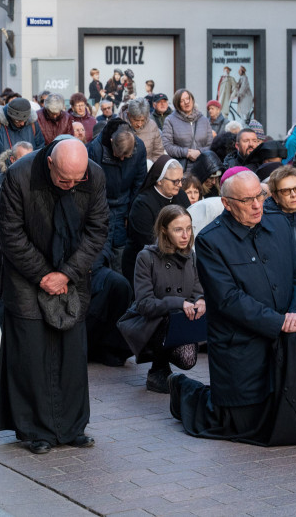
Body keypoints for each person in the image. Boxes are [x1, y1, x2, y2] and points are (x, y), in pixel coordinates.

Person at [170, 169, 296, 445]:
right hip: (241, 344)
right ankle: (184, 389)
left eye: (260, 196)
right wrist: (280, 323)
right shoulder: (210, 240)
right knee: (240, 424)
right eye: (247, 200)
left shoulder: (279, 224)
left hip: (285, 334)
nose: (257, 205)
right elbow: (228, 299)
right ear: (227, 203)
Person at [0, 139, 109, 454]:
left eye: (77, 180)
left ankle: (72, 427)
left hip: (72, 273)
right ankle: (34, 429)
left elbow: (98, 230)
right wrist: (44, 275)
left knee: (71, 352)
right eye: (64, 180)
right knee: (31, 351)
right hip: (26, 272)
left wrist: (67, 273)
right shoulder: (19, 175)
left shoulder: (93, 175)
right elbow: (9, 233)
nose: (71, 186)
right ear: (50, 164)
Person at [118, 205, 205, 393]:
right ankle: (158, 368)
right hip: (151, 322)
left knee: (188, 359)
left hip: (181, 320)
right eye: (178, 230)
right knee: (167, 318)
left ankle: (163, 367)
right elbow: (144, 304)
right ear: (164, 230)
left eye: (189, 228)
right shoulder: (146, 257)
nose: (185, 235)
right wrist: (179, 302)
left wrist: (200, 300)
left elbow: (197, 289)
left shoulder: (190, 255)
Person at [87, 119, 146, 273]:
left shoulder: (139, 148)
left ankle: (119, 282)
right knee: (100, 250)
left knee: (120, 249)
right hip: (102, 205)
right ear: (112, 141)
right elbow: (92, 187)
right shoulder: (96, 149)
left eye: (126, 156)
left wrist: (130, 212)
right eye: (119, 155)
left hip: (124, 205)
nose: (121, 159)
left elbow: (139, 183)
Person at [123, 156, 189, 284]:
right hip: (145, 265)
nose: (180, 185)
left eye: (181, 180)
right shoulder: (142, 203)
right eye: (175, 181)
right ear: (160, 180)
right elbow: (147, 240)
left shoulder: (181, 195)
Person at [0, 97, 45, 168]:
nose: (22, 124)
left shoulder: (33, 124)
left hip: (27, 173)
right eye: (18, 120)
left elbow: (40, 150)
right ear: (10, 116)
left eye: (25, 120)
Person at [161, 89, 213, 172]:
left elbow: (211, 144)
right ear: (177, 104)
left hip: (203, 167)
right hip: (181, 169)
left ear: (192, 99)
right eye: (182, 101)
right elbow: (167, 145)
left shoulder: (204, 120)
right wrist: (187, 153)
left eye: (188, 98)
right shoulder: (170, 120)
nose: (186, 102)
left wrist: (199, 152)